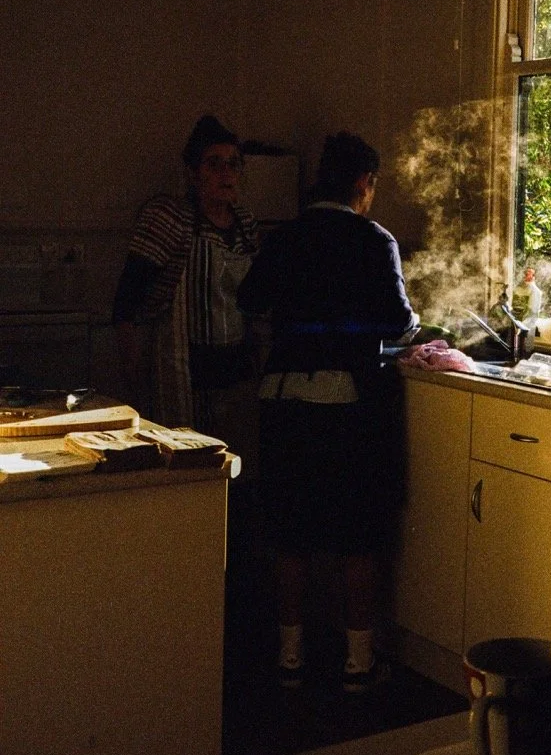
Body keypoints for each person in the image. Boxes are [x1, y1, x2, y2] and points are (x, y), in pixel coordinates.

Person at [236, 131, 419, 693]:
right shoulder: (372, 239)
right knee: (355, 531)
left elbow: (248, 301)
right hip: (344, 401)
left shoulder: (285, 236)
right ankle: (358, 664)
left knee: (290, 530)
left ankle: (290, 657)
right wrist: (403, 328)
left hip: (281, 396)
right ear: (363, 182)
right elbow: (396, 321)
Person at [112, 115, 260, 437]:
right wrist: (131, 371)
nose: (226, 173)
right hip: (183, 373)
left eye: (234, 164)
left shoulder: (245, 224)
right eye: (214, 164)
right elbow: (126, 302)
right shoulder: (169, 219)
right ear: (194, 175)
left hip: (234, 373)